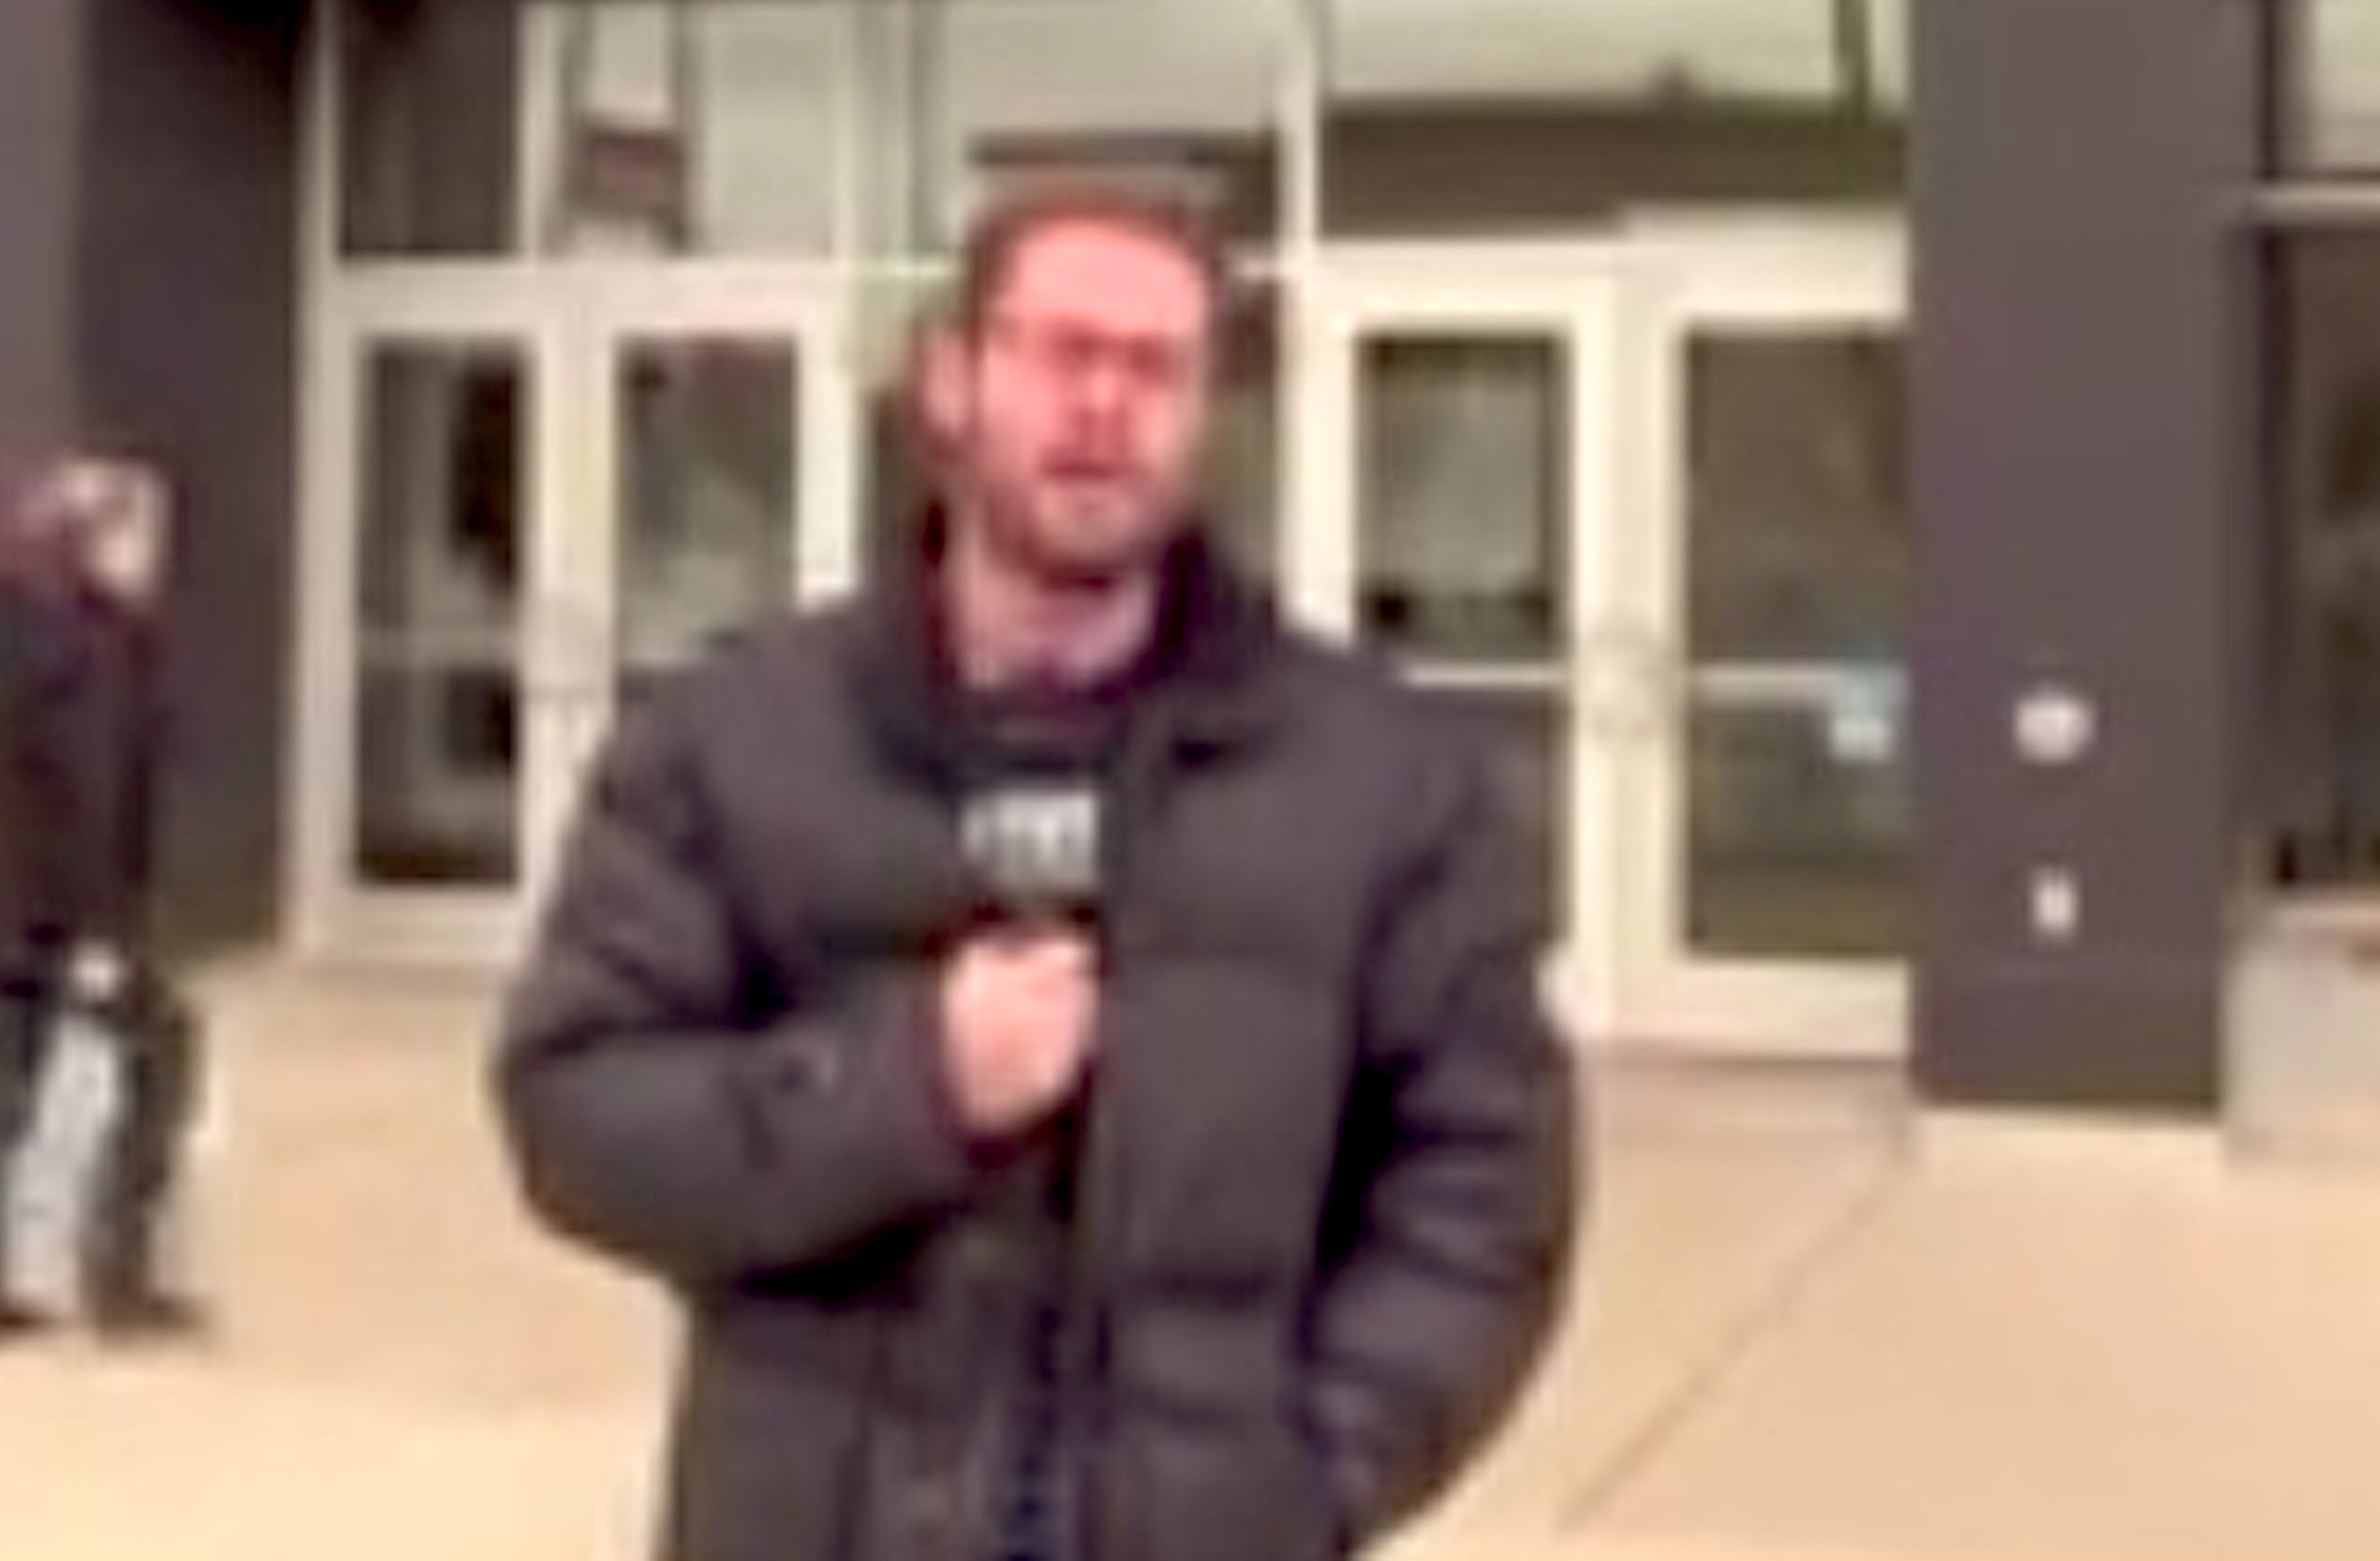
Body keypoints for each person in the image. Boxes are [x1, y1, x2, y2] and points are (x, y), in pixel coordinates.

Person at [493, 176, 1584, 1561]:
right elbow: (580, 1111)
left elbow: (1483, 1189)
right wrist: (912, 1085)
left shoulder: (1381, 779)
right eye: (1063, 350)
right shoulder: (732, 741)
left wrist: (1299, 1485)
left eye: (1156, 367)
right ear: (951, 378)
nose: (1103, 405)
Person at [0, 450, 207, 1348]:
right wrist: (99, 935)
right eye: (146, 535)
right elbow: (91, 798)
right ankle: (117, 1276)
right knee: (160, 1057)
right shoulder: (96, 650)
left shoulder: (9, 627)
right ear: (99, 541)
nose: (157, 555)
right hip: (54, 910)